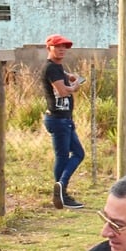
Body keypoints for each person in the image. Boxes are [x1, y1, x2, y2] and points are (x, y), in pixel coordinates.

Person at [40, 33, 86, 209]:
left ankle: (61, 190)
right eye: (57, 46)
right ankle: (61, 189)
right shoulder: (51, 68)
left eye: (64, 47)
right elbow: (63, 91)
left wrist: (70, 76)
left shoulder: (57, 67)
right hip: (58, 119)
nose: (61, 49)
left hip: (64, 119)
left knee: (76, 154)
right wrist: (74, 86)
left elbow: (63, 76)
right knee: (67, 155)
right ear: (49, 48)